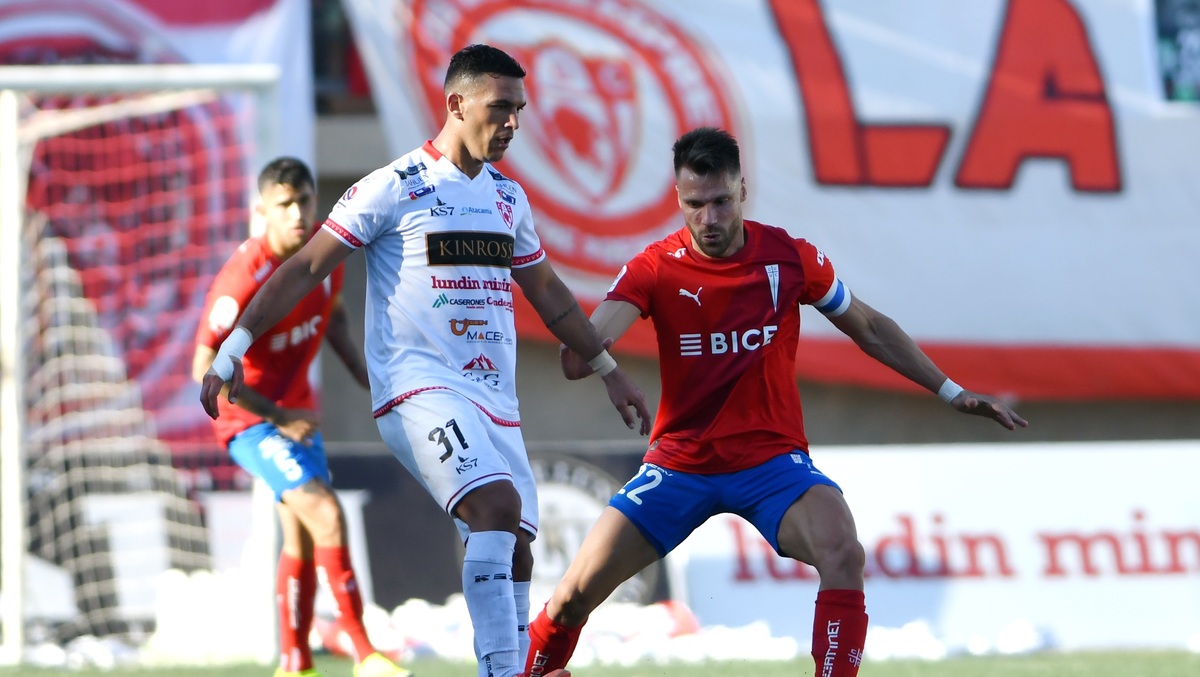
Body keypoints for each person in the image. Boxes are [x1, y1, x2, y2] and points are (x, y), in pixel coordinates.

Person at [199, 44, 647, 677]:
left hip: (497, 400)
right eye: (500, 108)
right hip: (419, 391)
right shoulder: (392, 186)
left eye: (520, 109)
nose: (514, 123)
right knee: (494, 509)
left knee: (514, 545)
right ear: (456, 104)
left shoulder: (507, 198)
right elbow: (305, 267)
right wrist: (234, 346)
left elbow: (547, 293)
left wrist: (609, 371)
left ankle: (512, 663)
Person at [524, 127, 1029, 677]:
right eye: (695, 205)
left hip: (771, 464)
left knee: (843, 552)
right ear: (678, 199)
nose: (709, 220)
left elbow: (871, 328)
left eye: (720, 202)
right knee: (572, 597)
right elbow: (579, 357)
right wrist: (603, 364)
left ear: (744, 189)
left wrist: (951, 392)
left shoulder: (789, 257)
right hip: (680, 464)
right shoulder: (655, 267)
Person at [193, 157, 411, 677]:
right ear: (261, 211)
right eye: (284, 205)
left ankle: (295, 662)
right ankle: (365, 654)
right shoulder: (242, 278)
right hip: (249, 420)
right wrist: (276, 416)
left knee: (304, 535)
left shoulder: (321, 253)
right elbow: (204, 367)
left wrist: (366, 372)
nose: (296, 213)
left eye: (304, 201)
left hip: (296, 413)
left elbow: (331, 314)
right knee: (327, 513)